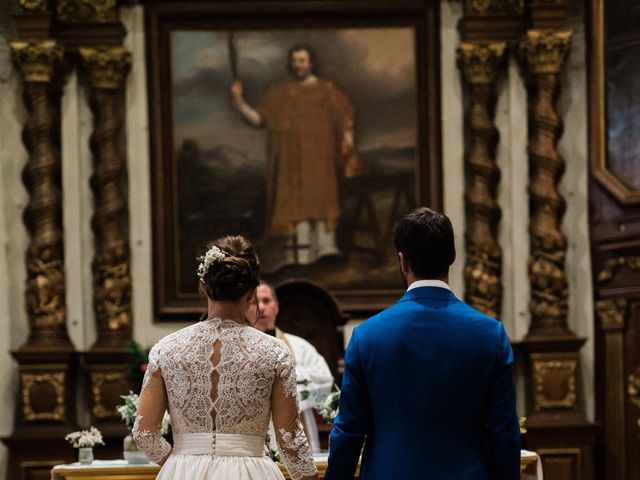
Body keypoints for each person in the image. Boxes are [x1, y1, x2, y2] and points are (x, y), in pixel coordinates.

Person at [325, 208, 521, 480]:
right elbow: (504, 432)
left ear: (402, 261)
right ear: (452, 257)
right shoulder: (490, 335)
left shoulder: (366, 336)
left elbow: (349, 431)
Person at [133, 235, 318, 480]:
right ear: (252, 292)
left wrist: (178, 463)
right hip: (252, 472)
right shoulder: (274, 352)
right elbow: (290, 439)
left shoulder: (167, 349)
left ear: (203, 285)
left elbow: (144, 434)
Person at [231, 45, 358, 266]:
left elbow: (345, 119)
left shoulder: (327, 90)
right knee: (295, 205)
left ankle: (326, 250)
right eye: (295, 60)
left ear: (311, 63)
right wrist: (239, 101)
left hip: (320, 162)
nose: (298, 65)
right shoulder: (280, 92)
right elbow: (260, 119)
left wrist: (347, 141)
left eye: (302, 60)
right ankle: (300, 257)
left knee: (322, 201)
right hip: (292, 165)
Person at [248, 281, 334, 452]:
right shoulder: (238, 348)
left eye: (266, 301)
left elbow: (325, 380)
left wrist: (288, 377)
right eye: (254, 302)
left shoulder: (300, 346)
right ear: (244, 307)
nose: (262, 307)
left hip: (298, 426)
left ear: (276, 307)